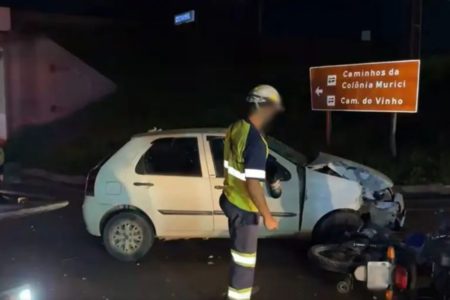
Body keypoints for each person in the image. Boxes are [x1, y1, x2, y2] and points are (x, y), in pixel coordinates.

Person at [220, 84, 284, 300]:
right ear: (262, 107)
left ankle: (239, 287)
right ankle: (239, 294)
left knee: (239, 255)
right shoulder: (255, 141)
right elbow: (253, 184)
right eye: (272, 108)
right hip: (244, 206)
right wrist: (268, 217)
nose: (274, 113)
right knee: (245, 260)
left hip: (230, 197)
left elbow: (238, 160)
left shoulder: (237, 127)